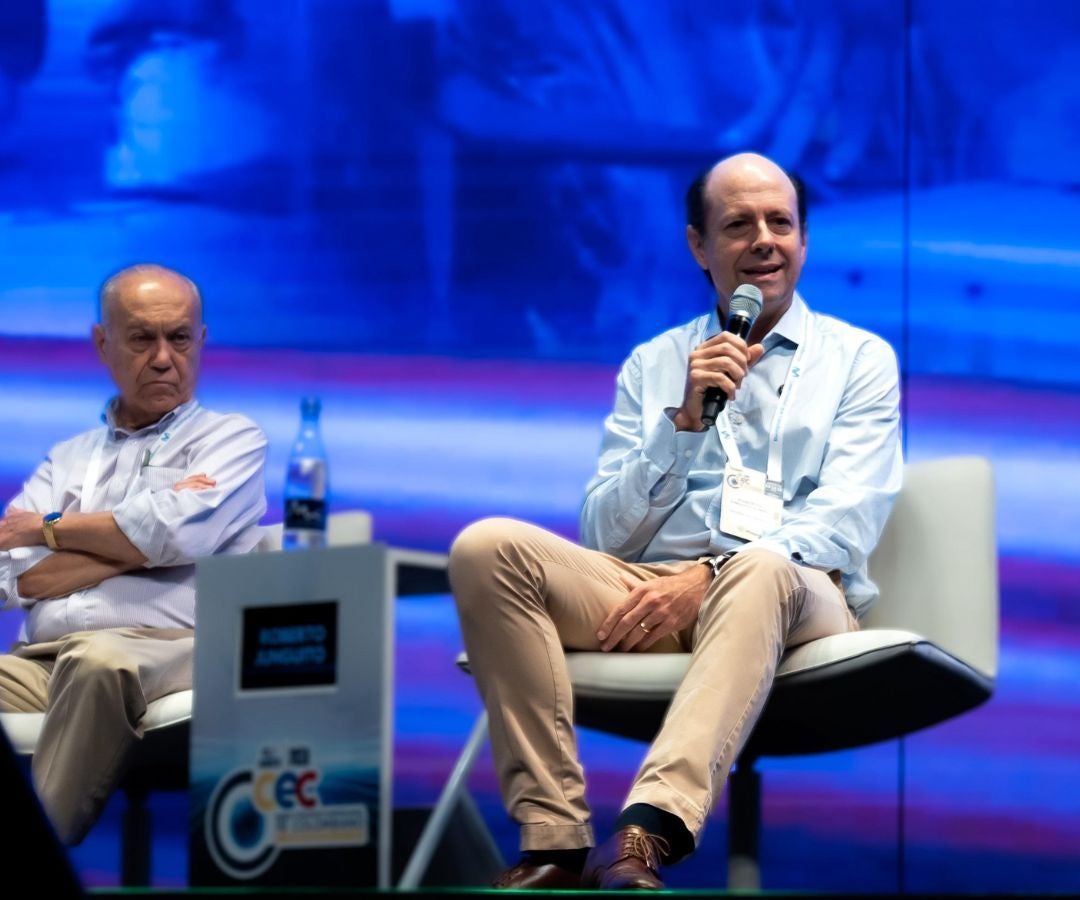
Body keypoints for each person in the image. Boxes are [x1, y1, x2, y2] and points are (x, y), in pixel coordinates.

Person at [448, 152, 903, 890]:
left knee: (759, 564)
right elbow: (602, 536)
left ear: (804, 241)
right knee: (488, 548)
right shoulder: (655, 362)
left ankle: (648, 832)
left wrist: (711, 573)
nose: (763, 240)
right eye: (738, 224)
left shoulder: (859, 361)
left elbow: (845, 520)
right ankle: (555, 843)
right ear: (698, 245)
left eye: (779, 223)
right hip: (652, 589)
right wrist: (682, 427)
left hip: (796, 590)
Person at [0, 263, 267, 845]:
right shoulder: (65, 458)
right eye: (143, 339)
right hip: (41, 658)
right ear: (103, 343)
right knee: (85, 657)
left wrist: (50, 528)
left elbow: (177, 535)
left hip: (171, 652)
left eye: (179, 338)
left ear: (201, 340)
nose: (165, 358)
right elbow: (9, 579)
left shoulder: (232, 440)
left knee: (100, 660)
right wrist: (132, 544)